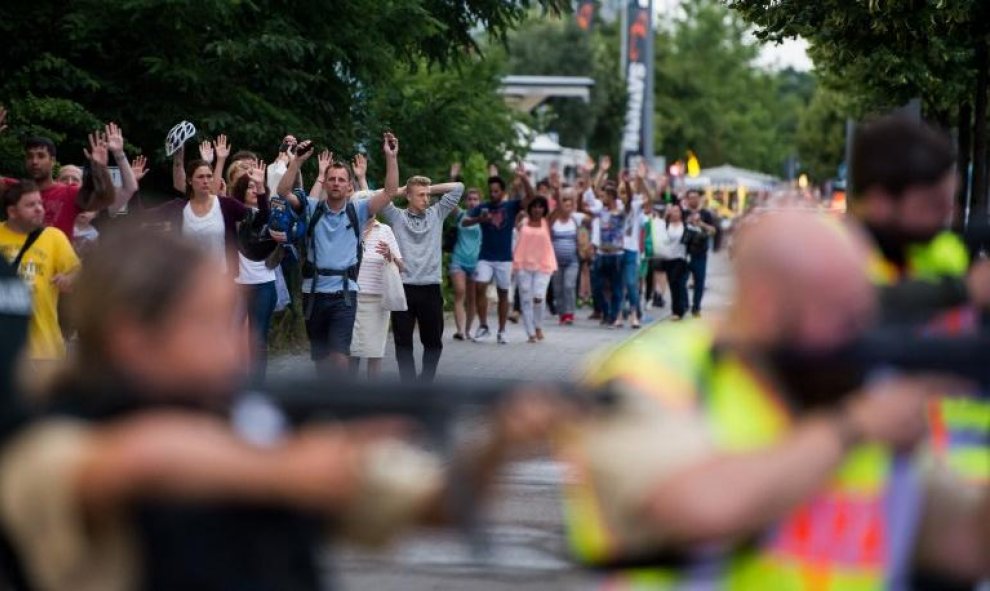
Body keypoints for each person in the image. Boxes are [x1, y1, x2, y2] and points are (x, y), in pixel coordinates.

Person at [0, 228, 558, 591]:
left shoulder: (253, 423)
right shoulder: (49, 438)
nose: (239, 344)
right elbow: (140, 459)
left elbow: (438, 509)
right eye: (210, 323)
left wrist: (498, 443)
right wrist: (286, 467)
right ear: (131, 337)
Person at [561, 210, 990, 589]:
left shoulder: (853, 390)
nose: (860, 334)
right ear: (766, 306)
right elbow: (697, 507)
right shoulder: (654, 372)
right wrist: (850, 428)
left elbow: (966, 547)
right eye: (841, 315)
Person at [274, 134, 398, 374]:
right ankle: (327, 404)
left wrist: (391, 157)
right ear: (326, 182)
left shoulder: (359, 210)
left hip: (344, 293)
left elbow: (390, 192)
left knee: (340, 357)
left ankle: (341, 404)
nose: (336, 183)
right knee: (321, 361)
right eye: (332, 179)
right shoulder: (312, 208)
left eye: (342, 180)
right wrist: (296, 162)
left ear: (349, 185)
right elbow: (283, 191)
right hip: (314, 291)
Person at [382, 176, 463, 382]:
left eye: (428, 195)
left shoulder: (437, 213)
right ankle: (408, 386)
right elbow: (376, 197)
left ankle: (426, 382)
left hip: (431, 287)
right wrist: (401, 190)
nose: (426, 199)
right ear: (408, 196)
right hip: (404, 288)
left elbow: (458, 187)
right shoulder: (396, 216)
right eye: (421, 195)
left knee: (434, 342)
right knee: (403, 342)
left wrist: (428, 187)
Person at [0, 181, 80, 364]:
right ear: (12, 212)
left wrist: (70, 279)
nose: (39, 209)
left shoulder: (54, 237)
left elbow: (80, 273)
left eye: (40, 203)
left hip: (44, 350)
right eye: (30, 205)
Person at [147, 158, 269, 276]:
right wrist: (133, 188)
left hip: (222, 280)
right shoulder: (178, 207)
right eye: (200, 177)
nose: (206, 181)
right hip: (187, 282)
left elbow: (261, 219)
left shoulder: (227, 204)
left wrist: (260, 187)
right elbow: (141, 215)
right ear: (190, 180)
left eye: (209, 176)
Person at [463, 166, 534, 345]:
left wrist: (524, 178)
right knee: (480, 287)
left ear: (502, 192)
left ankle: (502, 331)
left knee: (503, 293)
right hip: (485, 256)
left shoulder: (511, 206)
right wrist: (480, 219)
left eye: (496, 191)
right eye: (491, 191)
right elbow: (464, 221)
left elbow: (531, 198)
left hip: (504, 258)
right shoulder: (483, 207)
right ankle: (484, 326)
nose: (493, 194)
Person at [3, 132, 116, 241]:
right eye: (29, 156)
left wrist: (100, 168)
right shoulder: (15, 190)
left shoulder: (69, 193)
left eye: (41, 156)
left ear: (52, 161)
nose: (34, 161)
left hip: (58, 258)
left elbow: (105, 200)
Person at [229, 166, 278, 381]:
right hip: (237, 285)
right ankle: (234, 382)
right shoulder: (233, 215)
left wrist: (260, 186)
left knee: (256, 339)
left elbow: (265, 213)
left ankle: (257, 386)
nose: (252, 190)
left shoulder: (265, 215)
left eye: (255, 187)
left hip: (263, 284)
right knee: (231, 335)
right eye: (248, 187)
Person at [350, 218, 403, 379]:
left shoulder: (384, 229)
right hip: (351, 298)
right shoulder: (348, 227)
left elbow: (402, 267)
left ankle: (373, 397)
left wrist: (390, 255)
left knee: (375, 352)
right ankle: (348, 395)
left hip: (378, 300)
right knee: (351, 350)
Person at [513, 197, 557, 343]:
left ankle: (538, 325)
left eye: (541, 207)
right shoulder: (523, 222)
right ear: (530, 208)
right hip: (523, 264)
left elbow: (559, 210)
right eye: (535, 206)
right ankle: (530, 332)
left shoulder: (546, 222)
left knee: (539, 297)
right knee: (526, 299)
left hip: (543, 265)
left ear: (544, 209)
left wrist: (557, 192)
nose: (537, 209)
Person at [450, 187, 482, 341]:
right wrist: (453, 177)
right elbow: (450, 201)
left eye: (476, 199)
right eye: (470, 199)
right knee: (459, 292)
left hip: (476, 262)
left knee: (472, 298)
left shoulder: (484, 218)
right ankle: (460, 330)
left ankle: (469, 330)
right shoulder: (461, 215)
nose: (472, 202)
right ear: (465, 201)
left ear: (480, 202)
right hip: (459, 259)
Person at [549, 188, 585, 325]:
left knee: (569, 286)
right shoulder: (554, 221)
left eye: (570, 205)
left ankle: (569, 313)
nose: (567, 207)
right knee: (558, 288)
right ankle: (561, 313)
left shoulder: (576, 219)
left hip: (572, 260)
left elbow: (591, 217)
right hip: (556, 261)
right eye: (565, 204)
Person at [682, 189, 717, 318]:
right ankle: (685, 304)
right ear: (687, 200)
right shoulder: (683, 213)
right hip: (684, 252)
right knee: (682, 281)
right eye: (691, 198)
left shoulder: (705, 214)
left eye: (696, 197)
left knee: (699, 282)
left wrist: (701, 223)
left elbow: (713, 231)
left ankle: (696, 307)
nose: (694, 200)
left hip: (700, 252)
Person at [653, 202, 689, 320]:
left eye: (677, 211)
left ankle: (679, 310)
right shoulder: (666, 225)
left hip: (681, 258)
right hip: (668, 258)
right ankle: (678, 308)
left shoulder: (685, 226)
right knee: (673, 284)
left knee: (679, 283)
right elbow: (660, 237)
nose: (675, 213)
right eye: (673, 211)